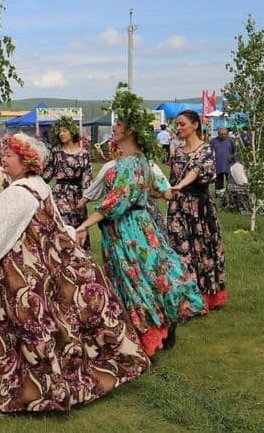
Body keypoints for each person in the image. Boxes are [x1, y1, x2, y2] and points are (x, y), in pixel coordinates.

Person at [0, 132, 149, 413]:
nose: (3, 158)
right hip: (45, 272)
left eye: (9, 155)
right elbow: (57, 225)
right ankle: (54, 383)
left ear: (25, 162)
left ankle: (22, 390)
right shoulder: (39, 186)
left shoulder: (16, 193)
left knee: (21, 329)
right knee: (51, 327)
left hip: (22, 275)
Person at [75, 86, 205, 356]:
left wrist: (84, 225)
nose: (115, 128)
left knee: (135, 282)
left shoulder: (128, 164)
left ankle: (146, 337)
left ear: (130, 131)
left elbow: (115, 203)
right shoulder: (140, 161)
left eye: (119, 124)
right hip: (140, 226)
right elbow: (159, 190)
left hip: (128, 231)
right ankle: (159, 331)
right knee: (148, 277)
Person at [167, 110, 228, 312]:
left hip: (200, 208)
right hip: (178, 208)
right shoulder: (177, 153)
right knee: (180, 250)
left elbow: (199, 171)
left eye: (183, 124)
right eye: (177, 124)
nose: (179, 128)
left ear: (195, 125)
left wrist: (180, 185)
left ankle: (206, 294)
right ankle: (187, 298)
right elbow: (171, 183)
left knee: (203, 249)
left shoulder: (206, 150)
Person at [42, 116, 93, 248]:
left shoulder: (84, 154)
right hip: (60, 194)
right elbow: (46, 175)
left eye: (65, 131)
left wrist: (85, 198)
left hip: (77, 195)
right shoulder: (56, 153)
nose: (62, 134)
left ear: (72, 132)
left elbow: (87, 178)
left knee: (79, 227)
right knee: (62, 224)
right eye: (60, 131)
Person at [210, 126, 236, 196]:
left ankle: (231, 194)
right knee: (219, 182)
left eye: (225, 134)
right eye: (221, 134)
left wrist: (234, 162)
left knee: (230, 181)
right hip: (218, 165)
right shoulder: (213, 141)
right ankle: (219, 195)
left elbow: (235, 151)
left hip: (229, 165)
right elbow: (210, 152)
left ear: (227, 133)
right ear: (218, 134)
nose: (223, 135)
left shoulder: (231, 140)